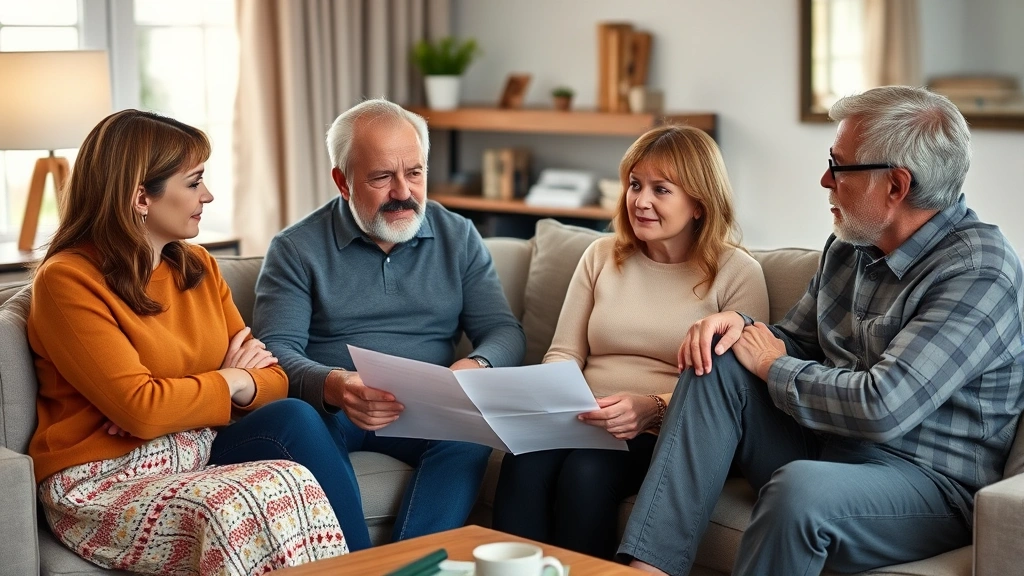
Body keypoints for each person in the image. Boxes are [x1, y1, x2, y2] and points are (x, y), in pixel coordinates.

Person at [618, 85, 1024, 576]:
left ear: (896, 186)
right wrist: (739, 327)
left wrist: (772, 364)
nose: (824, 179)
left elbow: (882, 406)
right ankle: (647, 569)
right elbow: (795, 341)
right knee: (718, 353)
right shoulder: (850, 245)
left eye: (838, 165)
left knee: (801, 489)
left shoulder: (978, 272)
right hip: (831, 444)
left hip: (926, 484)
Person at [27, 110, 355, 575]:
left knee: (296, 419)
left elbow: (274, 381)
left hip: (190, 446)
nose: (208, 195)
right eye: (194, 182)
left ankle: (373, 568)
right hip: (102, 477)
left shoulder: (197, 266)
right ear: (141, 196)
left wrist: (183, 392)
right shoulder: (68, 281)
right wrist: (229, 378)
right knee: (256, 493)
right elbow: (141, 409)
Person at [252, 98, 526, 551]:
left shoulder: (457, 236)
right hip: (337, 409)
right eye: (382, 177)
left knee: (471, 432)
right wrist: (336, 385)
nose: (404, 191)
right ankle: (359, 563)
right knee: (302, 425)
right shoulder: (296, 248)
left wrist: (476, 365)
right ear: (342, 180)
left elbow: (504, 332)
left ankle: (411, 566)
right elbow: (276, 351)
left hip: (426, 407)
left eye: (415, 172)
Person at [491, 125, 769, 559]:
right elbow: (564, 351)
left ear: (699, 203)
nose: (641, 201)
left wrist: (652, 407)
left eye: (661, 190)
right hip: (581, 415)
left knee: (586, 473)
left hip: (666, 427)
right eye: (635, 185)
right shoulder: (601, 256)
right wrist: (548, 399)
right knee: (522, 464)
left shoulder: (738, 273)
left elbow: (735, 391)